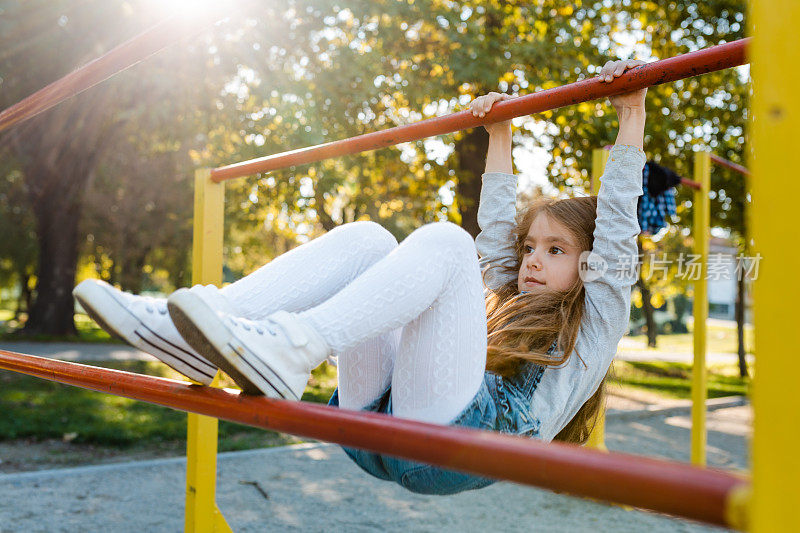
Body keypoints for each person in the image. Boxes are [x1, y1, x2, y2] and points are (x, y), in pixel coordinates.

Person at [73, 58, 646, 495]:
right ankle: (208, 329)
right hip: (376, 423)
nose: (533, 260)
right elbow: (496, 233)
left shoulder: (597, 320)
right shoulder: (505, 289)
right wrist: (499, 135)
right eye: (531, 247)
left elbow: (618, 228)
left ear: (591, 263)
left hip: (465, 445)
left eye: (556, 249)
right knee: (369, 238)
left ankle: (293, 346)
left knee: (445, 244)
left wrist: (631, 114)